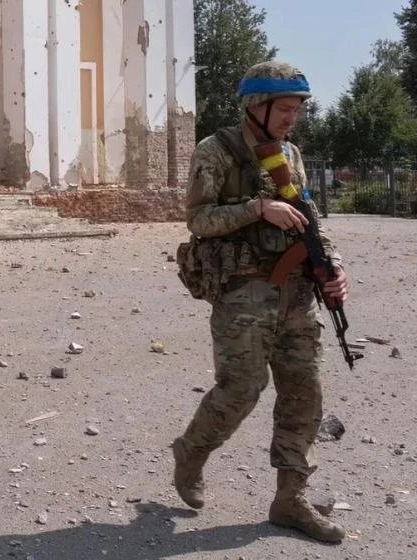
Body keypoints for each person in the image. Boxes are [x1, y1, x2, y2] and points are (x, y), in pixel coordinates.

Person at [172, 61, 349, 543]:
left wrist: (332, 266)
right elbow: (198, 220)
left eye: (297, 109)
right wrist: (257, 208)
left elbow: (310, 217)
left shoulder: (290, 153)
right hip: (244, 290)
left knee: (304, 391)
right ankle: (191, 452)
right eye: (285, 109)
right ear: (257, 106)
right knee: (241, 389)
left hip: (297, 292)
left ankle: (290, 498)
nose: (293, 118)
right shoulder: (216, 151)